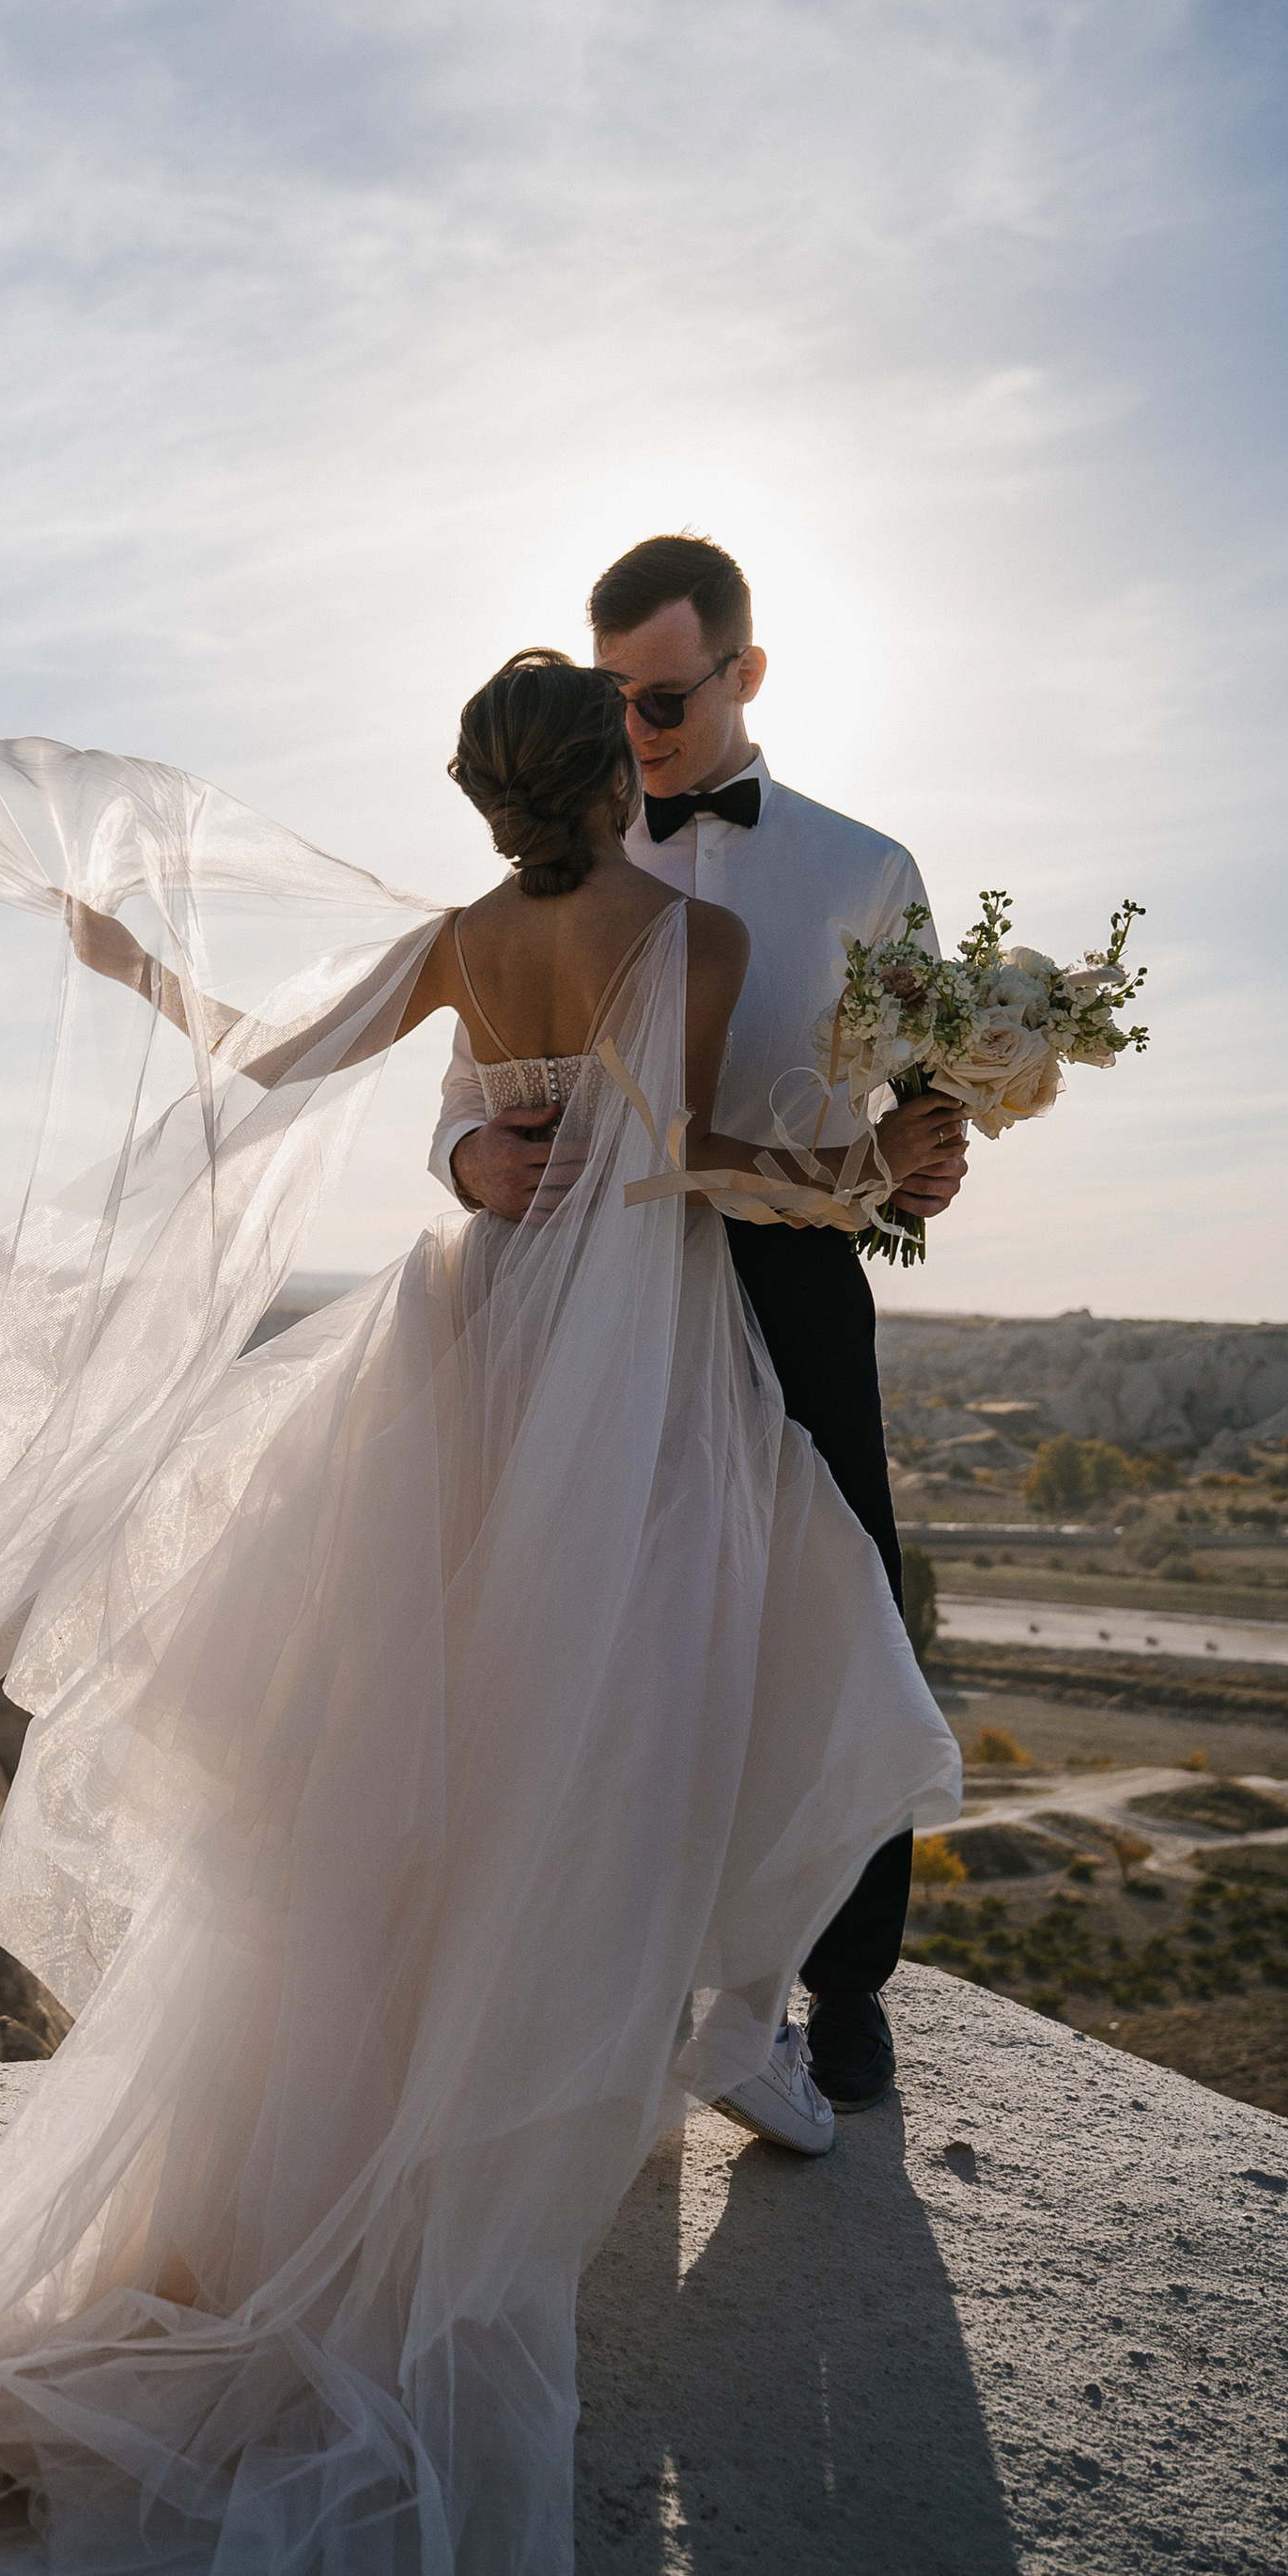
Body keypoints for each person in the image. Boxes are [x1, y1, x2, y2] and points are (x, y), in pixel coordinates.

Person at [0, 649, 961, 2576]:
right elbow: (688, 1166)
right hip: (620, 1387)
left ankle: (374, 2139)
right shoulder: (696, 936)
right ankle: (574, 2091)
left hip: (457, 1356)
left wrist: (122, 957)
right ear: (603, 782)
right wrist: (861, 1174)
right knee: (627, 1747)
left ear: (478, 796)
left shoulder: (466, 939)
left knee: (394, 1780)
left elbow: (269, 1062)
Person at [429, 539, 967, 2120]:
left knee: (840, 1601)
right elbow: (464, 1096)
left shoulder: (870, 873)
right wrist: (477, 1161)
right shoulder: (559, 860)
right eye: (613, 702)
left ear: (745, 673)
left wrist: (929, 1154)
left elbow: (919, 1109)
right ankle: (631, 1981)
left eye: (661, 697)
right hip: (591, 1290)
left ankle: (844, 1986)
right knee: (610, 1637)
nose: (637, 730)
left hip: (788, 1281)